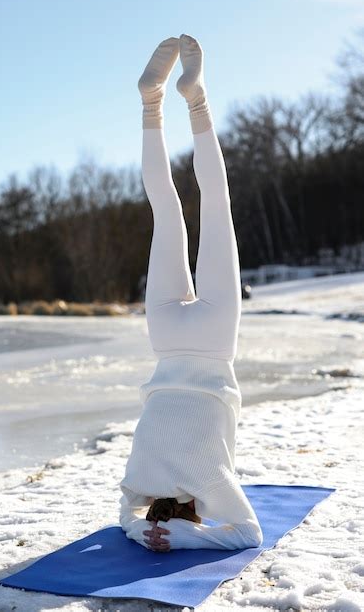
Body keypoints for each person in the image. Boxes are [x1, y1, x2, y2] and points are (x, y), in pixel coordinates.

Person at [118, 34, 263, 553]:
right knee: (165, 211)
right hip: (165, 337)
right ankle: (151, 104)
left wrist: (183, 539)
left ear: (193, 511)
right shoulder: (141, 478)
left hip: (214, 338)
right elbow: (125, 522)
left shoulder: (210, 481)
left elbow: (247, 535)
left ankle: (196, 99)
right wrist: (146, 530)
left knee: (215, 205)